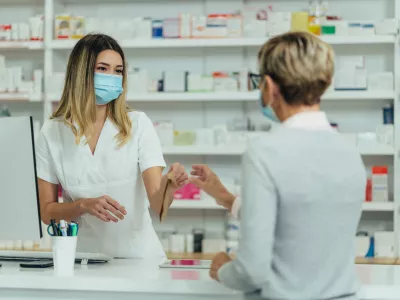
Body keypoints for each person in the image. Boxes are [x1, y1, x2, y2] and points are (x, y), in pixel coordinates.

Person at [190, 32, 366, 300]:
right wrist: (226, 198)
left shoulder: (264, 152)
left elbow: (252, 271)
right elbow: (301, 221)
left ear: (270, 87)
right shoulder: (350, 152)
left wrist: (223, 269)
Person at [36, 34, 188, 260]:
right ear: (81, 73)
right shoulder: (53, 132)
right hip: (84, 260)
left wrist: (170, 186)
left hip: (140, 260)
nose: (112, 77)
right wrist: (82, 206)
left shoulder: (137, 124)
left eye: (118, 71)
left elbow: (158, 204)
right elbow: (47, 213)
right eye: (103, 68)